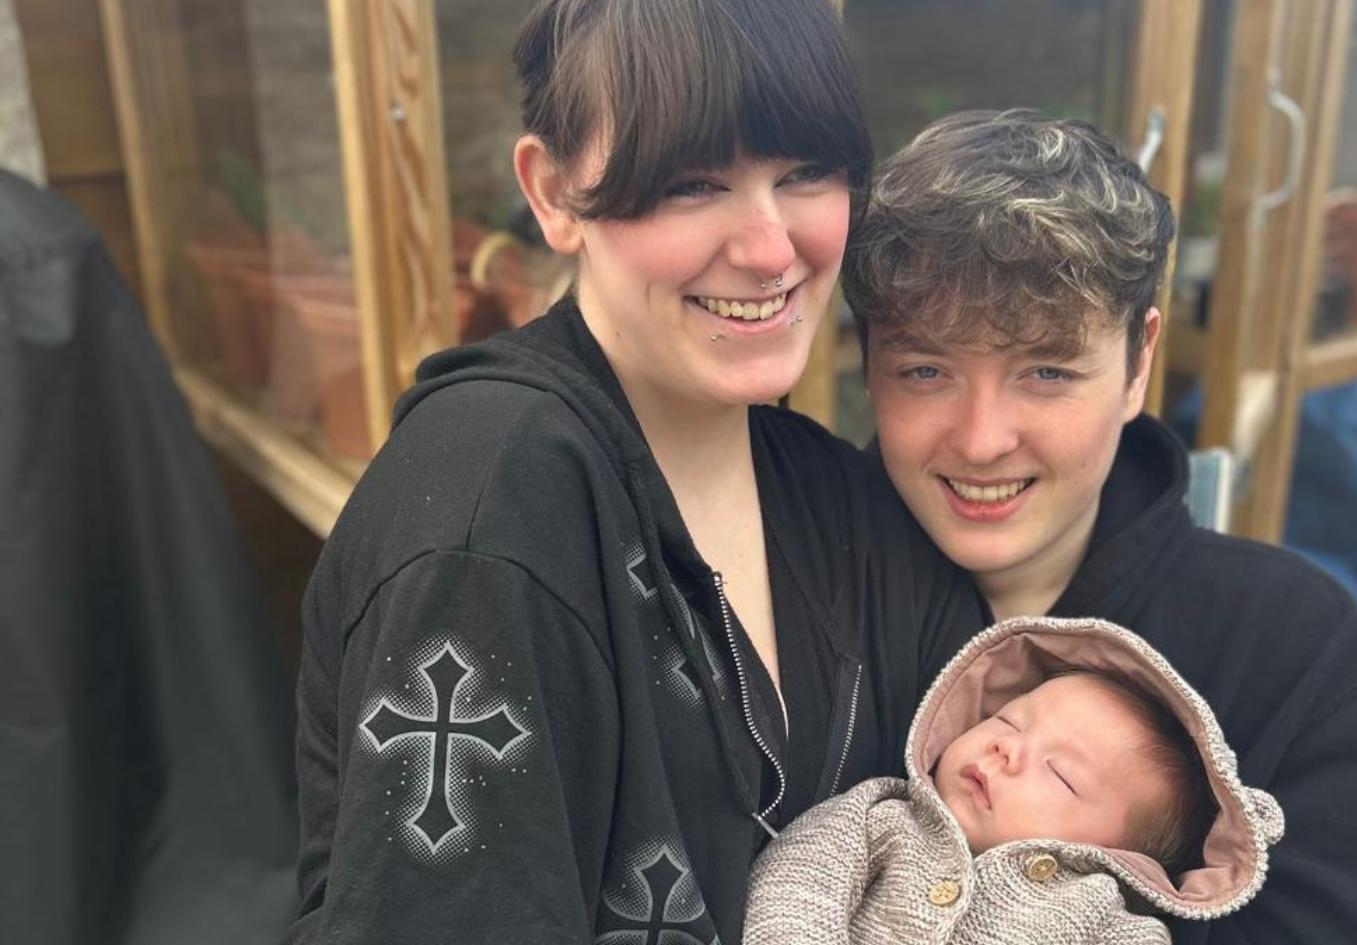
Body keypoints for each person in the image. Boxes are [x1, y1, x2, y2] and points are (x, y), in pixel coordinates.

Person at [288, 3, 982, 942]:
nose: (771, 249)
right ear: (551, 193)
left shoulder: (832, 493)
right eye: (692, 183)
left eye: (806, 172)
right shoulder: (490, 503)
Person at [845, 109, 1357, 944]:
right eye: (926, 369)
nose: (982, 439)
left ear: (1138, 364)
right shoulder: (784, 581)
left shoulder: (1289, 647)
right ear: (868, 363)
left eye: (1047, 370)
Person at [743, 616, 1282, 945]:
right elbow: (796, 886)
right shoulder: (882, 817)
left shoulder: (1105, 918)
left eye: (1060, 774)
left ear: (1122, 858)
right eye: (1006, 721)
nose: (1004, 749)